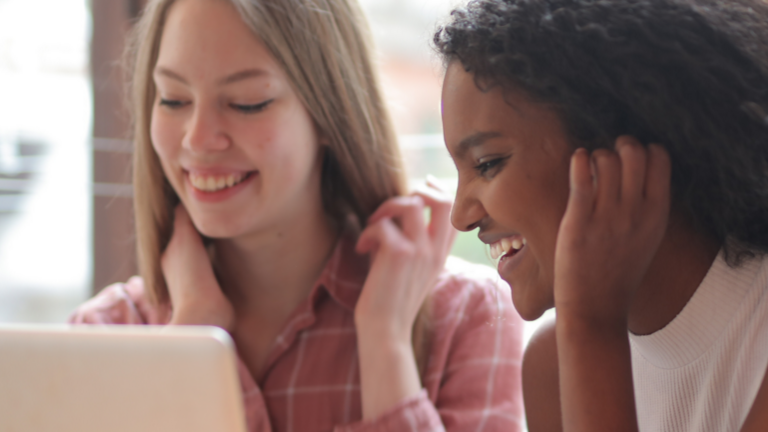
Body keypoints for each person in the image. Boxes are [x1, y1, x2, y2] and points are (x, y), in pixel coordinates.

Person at [70, 0, 525, 431]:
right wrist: (193, 334)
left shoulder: (466, 315)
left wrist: (385, 344)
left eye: (247, 102)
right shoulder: (105, 335)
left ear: (329, 114)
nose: (198, 139)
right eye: (172, 99)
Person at [434, 0, 768, 431]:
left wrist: (591, 329)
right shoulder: (551, 362)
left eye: (487, 163)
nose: (460, 217)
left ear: (619, 145)